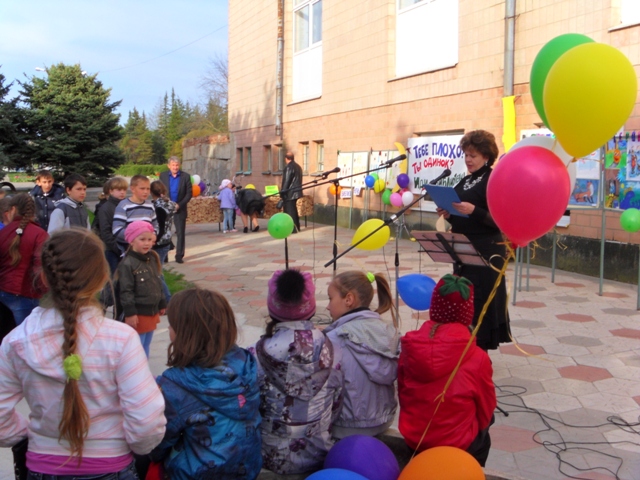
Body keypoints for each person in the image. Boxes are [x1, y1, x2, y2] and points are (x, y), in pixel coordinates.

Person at [0, 229, 166, 477]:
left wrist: (28, 435)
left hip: (41, 466)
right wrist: (133, 446)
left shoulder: (16, 341)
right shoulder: (120, 339)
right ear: (101, 278)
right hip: (112, 466)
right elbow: (146, 420)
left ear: (44, 277)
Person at [148, 287, 262, 480]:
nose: (168, 328)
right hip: (247, 469)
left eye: (172, 324)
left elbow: (159, 442)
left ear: (186, 333)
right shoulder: (245, 363)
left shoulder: (175, 385)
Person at [251, 269, 343, 475]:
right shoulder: (335, 349)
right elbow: (336, 404)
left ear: (272, 306)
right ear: (309, 306)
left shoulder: (256, 354)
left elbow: (252, 407)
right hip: (319, 453)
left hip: (269, 456)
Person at [398, 274, 496, 466]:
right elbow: (487, 406)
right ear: (467, 314)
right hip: (457, 445)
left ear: (434, 307)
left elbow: (403, 392)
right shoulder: (478, 357)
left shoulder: (410, 347)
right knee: (486, 431)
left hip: (415, 439)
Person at [436, 129, 511, 350]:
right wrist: (449, 213)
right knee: (464, 297)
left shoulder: (493, 179)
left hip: (487, 250)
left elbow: (501, 220)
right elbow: (463, 211)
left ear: (486, 156)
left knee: (481, 301)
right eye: (466, 155)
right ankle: (465, 346)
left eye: (473, 155)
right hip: (463, 248)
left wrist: (473, 210)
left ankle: (481, 352)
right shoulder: (466, 179)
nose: (468, 160)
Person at [323, 271, 399, 439]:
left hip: (346, 426)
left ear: (348, 299)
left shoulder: (335, 338)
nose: (328, 306)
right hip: (384, 419)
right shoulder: (389, 331)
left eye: (330, 298)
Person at [116, 221, 166, 358]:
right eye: (142, 239)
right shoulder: (127, 264)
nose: (147, 243)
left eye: (150, 240)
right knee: (137, 349)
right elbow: (126, 290)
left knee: (146, 346)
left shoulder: (151, 258)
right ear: (131, 241)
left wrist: (162, 302)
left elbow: (157, 281)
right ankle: (137, 374)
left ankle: (144, 373)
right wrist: (130, 312)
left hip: (151, 311)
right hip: (138, 314)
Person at [0, 193, 48, 326]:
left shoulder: (4, 232)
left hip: (4, 291)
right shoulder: (39, 234)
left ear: (13, 209)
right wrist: (43, 290)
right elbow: (41, 267)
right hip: (26, 293)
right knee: (27, 338)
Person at [112, 174, 158, 253]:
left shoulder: (150, 205)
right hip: (128, 249)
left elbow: (155, 225)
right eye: (142, 188)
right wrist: (136, 237)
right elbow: (117, 229)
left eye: (148, 189)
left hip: (146, 248)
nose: (146, 192)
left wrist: (153, 235)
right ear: (133, 189)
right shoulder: (124, 205)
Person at [159, 156, 192, 263]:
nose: (175, 167)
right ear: (169, 166)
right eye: (173, 165)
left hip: (180, 208)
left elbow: (189, 194)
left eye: (177, 165)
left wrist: (179, 205)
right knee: (164, 232)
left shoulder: (185, 176)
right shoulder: (163, 176)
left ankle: (179, 255)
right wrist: (164, 199)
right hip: (166, 208)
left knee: (180, 233)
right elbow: (159, 190)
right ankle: (165, 255)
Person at [97, 176, 129, 275]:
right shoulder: (105, 208)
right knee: (112, 280)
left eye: (124, 190)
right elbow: (105, 232)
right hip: (112, 250)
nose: (122, 192)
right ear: (111, 191)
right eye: (119, 190)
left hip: (125, 247)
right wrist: (119, 249)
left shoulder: (126, 205)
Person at [150, 180, 177, 265]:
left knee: (157, 269)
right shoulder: (170, 204)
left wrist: (154, 241)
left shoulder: (157, 207)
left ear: (151, 192)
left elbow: (160, 226)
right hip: (167, 238)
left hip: (159, 240)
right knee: (159, 267)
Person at [281, 152, 303, 233]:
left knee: (289, 210)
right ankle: (297, 227)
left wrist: (282, 192)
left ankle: (292, 228)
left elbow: (286, 181)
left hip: (289, 193)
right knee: (294, 210)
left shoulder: (289, 167)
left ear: (286, 158)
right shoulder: (298, 167)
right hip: (297, 191)